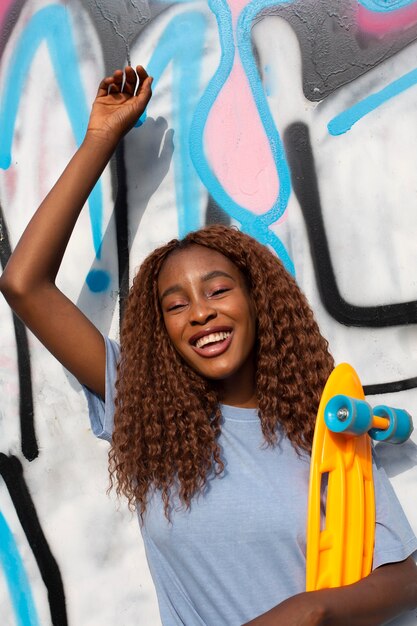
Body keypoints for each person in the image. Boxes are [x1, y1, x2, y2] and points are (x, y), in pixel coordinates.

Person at [1, 65, 417, 626]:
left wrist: (310, 610)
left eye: (218, 290)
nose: (200, 312)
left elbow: (405, 576)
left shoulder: (321, 427)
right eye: (175, 305)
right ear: (163, 331)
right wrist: (101, 138)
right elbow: (24, 284)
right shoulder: (145, 411)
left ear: (257, 301)